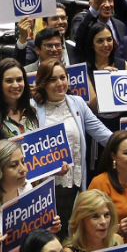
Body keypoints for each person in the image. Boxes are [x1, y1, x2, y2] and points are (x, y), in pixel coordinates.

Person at [33, 60, 113, 233]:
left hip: (75, 182)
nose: (60, 83)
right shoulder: (33, 108)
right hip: (47, 186)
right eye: (53, 79)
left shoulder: (77, 102)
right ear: (43, 83)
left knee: (71, 233)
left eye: (63, 77)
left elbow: (102, 133)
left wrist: (126, 147)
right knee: (49, 235)